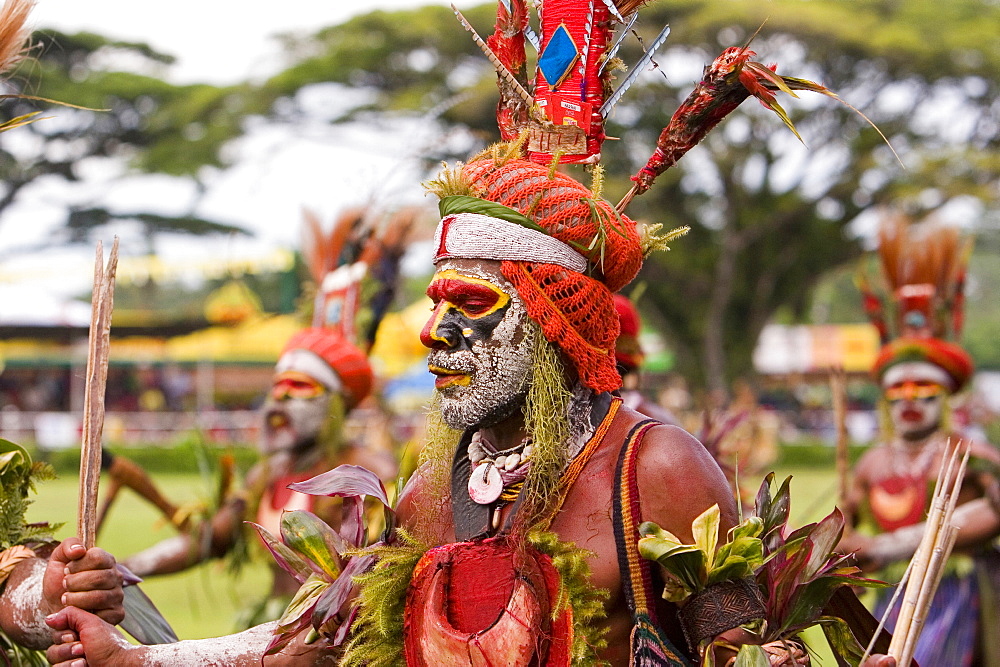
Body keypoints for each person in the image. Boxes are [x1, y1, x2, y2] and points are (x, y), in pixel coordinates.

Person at [120, 210, 404, 624]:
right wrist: (126, 567)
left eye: (300, 389)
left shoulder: (371, 474)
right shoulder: (268, 475)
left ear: (337, 403)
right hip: (269, 632)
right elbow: (209, 541)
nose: (280, 403)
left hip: (338, 642)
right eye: (277, 389)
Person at [840, 215, 1000, 666]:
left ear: (947, 395)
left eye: (923, 389)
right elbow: (843, 525)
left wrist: (897, 544)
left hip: (954, 594)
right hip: (889, 597)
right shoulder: (871, 463)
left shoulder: (970, 454)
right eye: (899, 391)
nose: (910, 400)